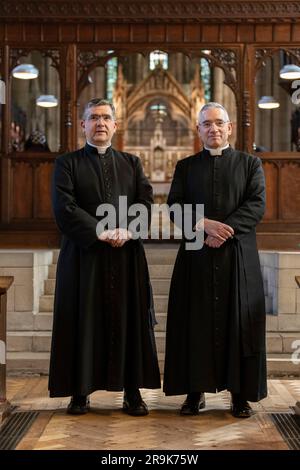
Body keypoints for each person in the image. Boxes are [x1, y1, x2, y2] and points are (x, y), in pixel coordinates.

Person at [49, 98, 161, 416]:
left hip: (126, 256)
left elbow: (145, 201)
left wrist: (127, 231)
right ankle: (80, 391)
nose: (100, 123)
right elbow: (64, 206)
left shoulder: (132, 162)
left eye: (106, 117)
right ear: (83, 124)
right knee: (82, 319)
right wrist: (100, 231)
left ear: (115, 125)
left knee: (131, 321)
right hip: (84, 255)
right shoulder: (67, 163)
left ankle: (132, 392)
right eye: (93, 117)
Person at [163, 102, 267, 418]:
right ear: (198, 130)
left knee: (239, 325)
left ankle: (240, 395)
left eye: (219, 123)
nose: (214, 129)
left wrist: (224, 230)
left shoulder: (250, 164)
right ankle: (194, 393)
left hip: (238, 257)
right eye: (207, 124)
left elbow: (256, 204)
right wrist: (203, 224)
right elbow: (174, 205)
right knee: (195, 323)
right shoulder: (186, 166)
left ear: (230, 127)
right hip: (196, 257)